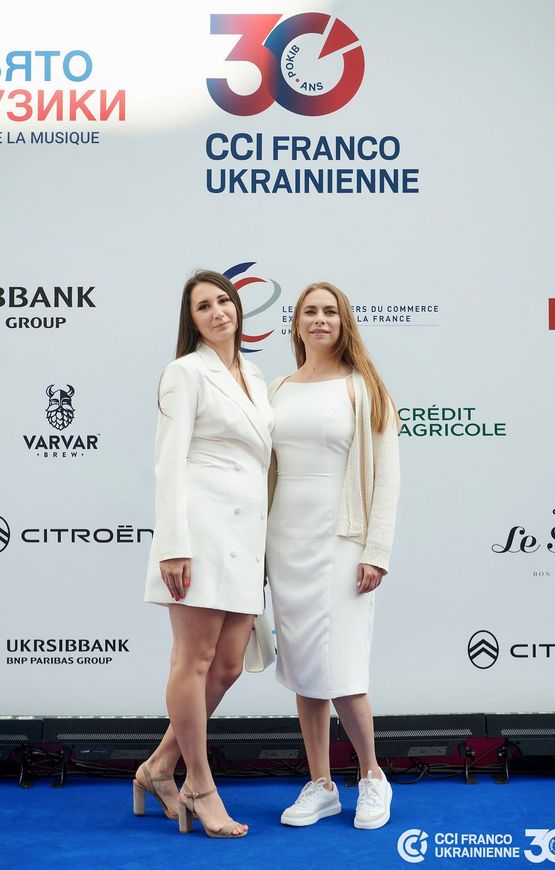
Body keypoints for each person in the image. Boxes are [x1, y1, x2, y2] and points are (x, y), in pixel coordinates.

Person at [135, 270, 272, 838]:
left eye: (224, 301)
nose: (218, 313)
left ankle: (157, 767)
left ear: (238, 307)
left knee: (229, 665)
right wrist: (173, 545)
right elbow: (169, 462)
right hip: (199, 533)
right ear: (190, 320)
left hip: (246, 537)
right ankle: (199, 784)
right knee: (192, 661)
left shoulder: (256, 376)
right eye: (203, 306)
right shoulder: (185, 372)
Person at [266, 281, 400, 830]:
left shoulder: (364, 388)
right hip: (285, 539)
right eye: (310, 312)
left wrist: (376, 550)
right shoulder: (276, 388)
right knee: (303, 666)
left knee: (343, 667)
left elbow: (387, 476)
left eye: (330, 311)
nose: (319, 319)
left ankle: (372, 776)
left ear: (344, 322)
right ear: (295, 323)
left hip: (343, 539)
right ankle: (321, 784)